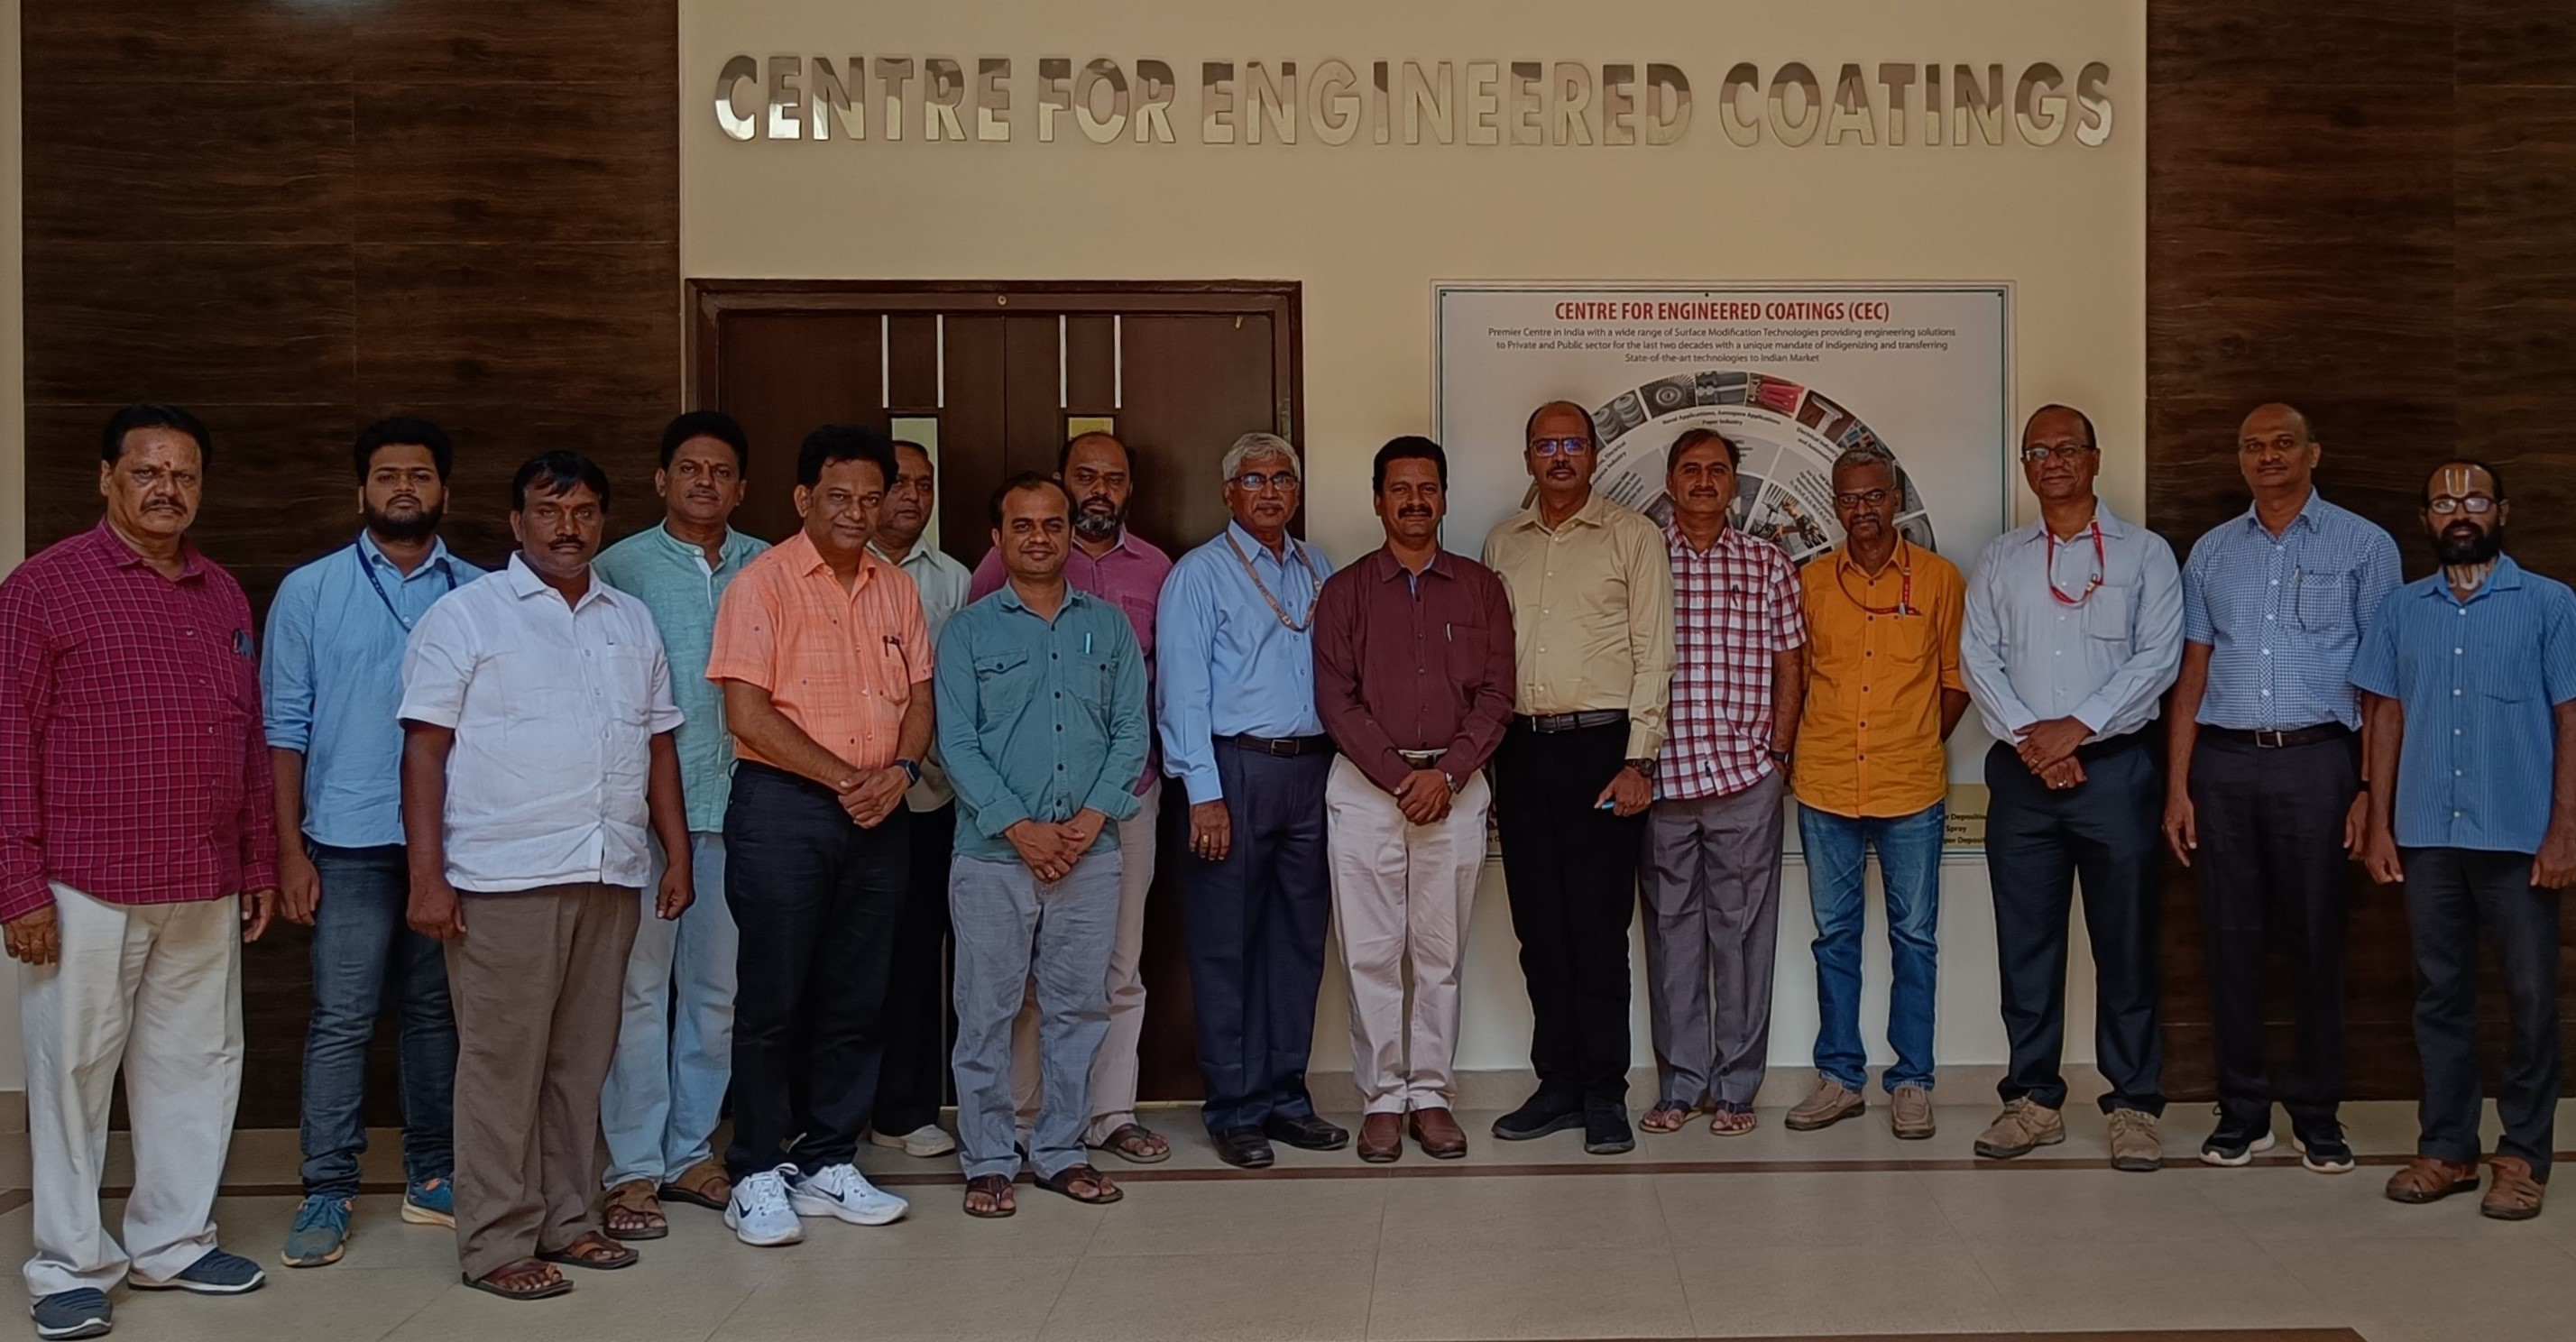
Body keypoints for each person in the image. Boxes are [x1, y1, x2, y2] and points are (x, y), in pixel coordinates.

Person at [2, 404, 281, 1338]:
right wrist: (17, 885)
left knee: (197, 1065)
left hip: (201, 876)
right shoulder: (44, 587)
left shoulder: (222, 591)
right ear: (107, 479)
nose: (168, 489)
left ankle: (173, 1242)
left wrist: (257, 858)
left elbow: (246, 738)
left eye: (185, 474)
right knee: (72, 1074)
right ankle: (67, 1265)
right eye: (148, 472)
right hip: (83, 880)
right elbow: (6, 741)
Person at [398, 451, 692, 1301]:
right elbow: (424, 751)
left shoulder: (630, 619)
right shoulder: (466, 616)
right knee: (502, 1066)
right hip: (503, 878)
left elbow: (658, 744)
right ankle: (495, 1241)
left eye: (585, 511)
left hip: (609, 869)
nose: (569, 528)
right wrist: (427, 877)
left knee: (580, 1063)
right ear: (517, 522)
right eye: (550, 511)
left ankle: (567, 1218)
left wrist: (676, 852)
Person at [266, 417, 481, 1268]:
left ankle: (434, 1175)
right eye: (387, 475)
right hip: (347, 839)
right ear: (362, 489)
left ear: (443, 491)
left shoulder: (479, 592)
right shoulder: (310, 590)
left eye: (419, 475)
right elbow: (283, 728)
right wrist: (289, 851)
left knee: (436, 1017)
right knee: (341, 1018)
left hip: (453, 844)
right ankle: (326, 1188)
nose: (403, 489)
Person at [2164, 404, 2400, 1172]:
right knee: (2229, 942)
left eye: (2283, 443)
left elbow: (2384, 684)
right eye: (2253, 446)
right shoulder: (2211, 552)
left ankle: (2317, 1114)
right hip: (2224, 765)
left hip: (2319, 762)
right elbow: (2192, 672)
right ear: (2240, 459)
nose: (2268, 456)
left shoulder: (2365, 545)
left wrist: (2369, 791)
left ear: (2313, 453)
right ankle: (2241, 1112)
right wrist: (2177, 786)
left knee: (2317, 940)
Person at [705, 425, 925, 1245]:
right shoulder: (760, 585)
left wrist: (900, 772)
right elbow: (747, 713)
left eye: (872, 497)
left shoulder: (895, 588)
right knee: (772, 997)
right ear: (803, 499)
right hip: (786, 808)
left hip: (880, 809)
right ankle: (756, 1169)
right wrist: (847, 780)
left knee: (857, 995)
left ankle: (830, 1157)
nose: (857, 512)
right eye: (840, 496)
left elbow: (920, 700)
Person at [1961, 404, 2183, 1172]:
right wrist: (2036, 740)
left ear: (2094, 458)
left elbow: (2158, 658)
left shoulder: (2146, 554)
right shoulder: (2001, 559)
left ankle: (2134, 1104)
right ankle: (2033, 1101)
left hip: (2116, 773)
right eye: (2037, 451)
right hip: (2024, 776)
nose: (2052, 461)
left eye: (2066, 448)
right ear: (2025, 466)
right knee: (2027, 945)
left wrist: (2076, 729)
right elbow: (1977, 659)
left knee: (2125, 943)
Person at [2356, 460, 2576, 1221]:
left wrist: (2564, 829)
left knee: (2531, 998)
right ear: (2426, 518)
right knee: (2439, 994)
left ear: (2501, 512)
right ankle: (2448, 1149)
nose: (2460, 512)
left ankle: (2522, 1157)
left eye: (2475, 499)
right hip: (2427, 833)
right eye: (2444, 501)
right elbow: (2385, 716)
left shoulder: (2550, 604)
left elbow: (2571, 719)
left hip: (2521, 834)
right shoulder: (2401, 609)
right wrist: (2379, 823)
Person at [937, 473, 1152, 1216]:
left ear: (1070, 535)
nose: (1039, 537)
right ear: (997, 538)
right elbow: (956, 742)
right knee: (986, 1012)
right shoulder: (966, 632)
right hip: (992, 858)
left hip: (1091, 855)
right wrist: (1020, 828)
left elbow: (1132, 731)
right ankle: (988, 1157)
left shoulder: (1109, 627)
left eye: (1052, 524)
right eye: (1022, 525)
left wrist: (1090, 821)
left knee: (1079, 1010)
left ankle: (1061, 1150)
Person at [971, 430, 1176, 1165]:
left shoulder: (1156, 568)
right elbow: (977, 687)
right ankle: (1026, 1121)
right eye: (1085, 476)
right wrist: (1019, 815)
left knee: (1118, 968)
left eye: (1113, 478)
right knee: (1032, 974)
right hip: (1021, 813)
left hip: (1124, 801)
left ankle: (1110, 1113)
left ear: (1129, 489)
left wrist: (1100, 808)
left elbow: (1157, 690)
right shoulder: (1001, 565)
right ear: (1062, 481)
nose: (1099, 489)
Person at [592, 412, 768, 1240]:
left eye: (721, 471)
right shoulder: (616, 568)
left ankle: (691, 1151)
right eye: (690, 468)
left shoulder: (771, 567)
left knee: (716, 994)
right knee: (636, 994)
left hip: (740, 814)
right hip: (642, 819)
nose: (705, 482)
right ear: (662, 479)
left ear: (742, 488)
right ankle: (631, 1167)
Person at [1481, 400, 1675, 1157]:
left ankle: (1604, 1093)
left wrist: (1639, 760)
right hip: (1522, 752)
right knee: (1538, 931)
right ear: (1528, 457)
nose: (1559, 456)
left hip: (1603, 750)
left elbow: (1655, 653)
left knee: (1597, 933)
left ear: (1593, 454)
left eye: (1572, 443)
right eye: (1545, 444)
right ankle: (1556, 1084)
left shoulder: (1633, 535)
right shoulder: (1503, 542)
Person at [1312, 437, 1514, 1162]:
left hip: (1454, 790)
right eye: (1400, 488)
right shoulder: (1345, 592)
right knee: (1369, 953)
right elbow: (1335, 700)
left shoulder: (1481, 589)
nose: (1415, 501)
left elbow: (1497, 695)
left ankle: (1430, 1096)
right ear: (1378, 500)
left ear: (1445, 498)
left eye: (1427, 488)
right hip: (1368, 792)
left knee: (1439, 953)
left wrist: (1448, 776)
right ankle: (1381, 1099)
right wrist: (1401, 777)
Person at [1157, 431, 1345, 1169]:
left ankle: (1286, 1099)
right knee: (1226, 946)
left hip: (1311, 772)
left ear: (1297, 492)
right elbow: (1181, 691)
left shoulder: (1318, 567)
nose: (1270, 492)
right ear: (1229, 492)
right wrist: (1203, 794)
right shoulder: (1199, 574)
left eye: (1282, 479)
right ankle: (1233, 1108)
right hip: (1233, 771)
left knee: (1297, 942)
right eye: (1254, 480)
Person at [1787, 448, 1970, 1141]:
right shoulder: (1811, 583)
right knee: (1834, 938)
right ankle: (1839, 1078)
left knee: (1914, 939)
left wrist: (1915, 738)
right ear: (1835, 506)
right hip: (1826, 783)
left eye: (1873, 497)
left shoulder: (1939, 579)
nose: (1862, 509)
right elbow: (1799, 678)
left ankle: (1912, 1081)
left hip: (1909, 786)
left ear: (1895, 499)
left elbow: (1955, 680)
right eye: (1849, 499)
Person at [1640, 429, 1808, 1137]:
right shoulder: (1643, 558)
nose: (1704, 481)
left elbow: (1792, 665)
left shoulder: (1768, 564)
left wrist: (1778, 756)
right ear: (1670, 482)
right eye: (1690, 469)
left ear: (1734, 484)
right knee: (1672, 939)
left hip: (1745, 780)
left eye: (1716, 470)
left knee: (1742, 939)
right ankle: (1681, 1085)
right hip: (1664, 783)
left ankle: (1736, 1089)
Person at [867, 438, 972, 1161]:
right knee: (842, 953)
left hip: (929, 794)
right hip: (845, 795)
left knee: (916, 956)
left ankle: (903, 1111)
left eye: (924, 485)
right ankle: (825, 1111)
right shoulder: (828, 568)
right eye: (899, 482)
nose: (913, 496)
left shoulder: (954, 578)